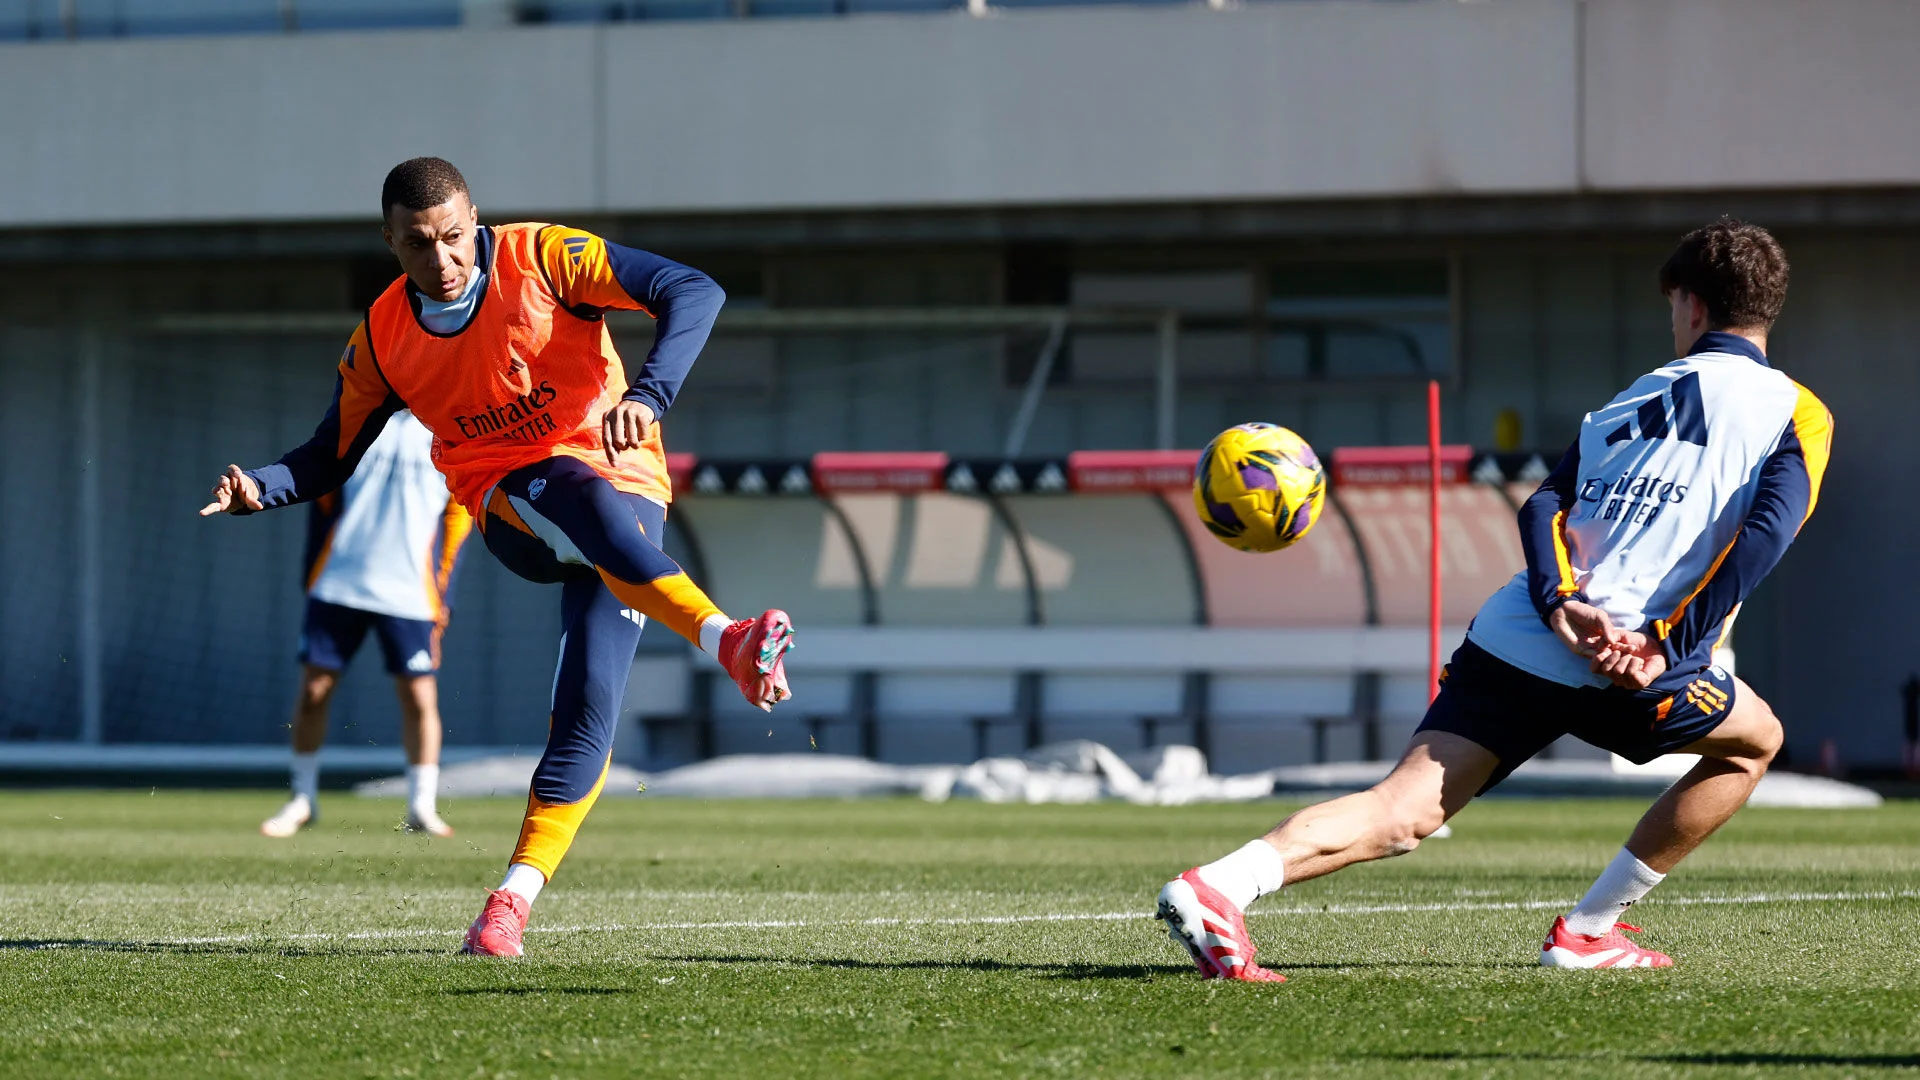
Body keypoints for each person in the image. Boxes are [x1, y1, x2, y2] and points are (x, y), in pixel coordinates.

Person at [1158, 218, 1831, 979]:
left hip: (1520, 630)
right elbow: (1766, 537)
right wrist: (1669, 645)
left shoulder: (1635, 396)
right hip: (1628, 655)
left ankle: (1220, 885)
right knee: (1756, 741)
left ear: (1696, 307)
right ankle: (1589, 931)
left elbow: (1544, 503)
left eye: (1673, 305)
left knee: (1402, 812)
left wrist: (1556, 604)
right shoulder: (1797, 411)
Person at [201, 157, 796, 957]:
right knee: (573, 489)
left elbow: (694, 290)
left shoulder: (544, 257)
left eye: (454, 238)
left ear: (475, 221)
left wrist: (648, 395)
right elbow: (327, 454)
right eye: (418, 245)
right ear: (390, 242)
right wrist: (261, 488)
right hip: (511, 502)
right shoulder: (382, 334)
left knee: (588, 705)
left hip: (628, 486)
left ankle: (507, 905)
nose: (442, 261)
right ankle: (729, 638)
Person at [260, 411, 471, 839]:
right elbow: (321, 495)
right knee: (314, 692)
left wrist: (443, 592)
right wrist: (311, 573)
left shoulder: (448, 431)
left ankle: (421, 806)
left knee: (418, 696)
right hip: (340, 581)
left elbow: (458, 515)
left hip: (412, 590)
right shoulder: (357, 418)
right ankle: (302, 798)